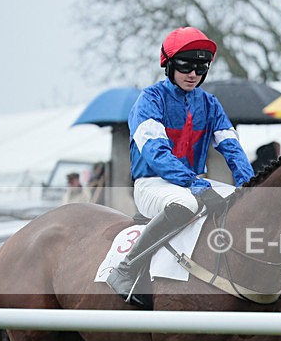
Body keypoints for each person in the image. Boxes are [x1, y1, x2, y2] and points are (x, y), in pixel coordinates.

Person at [106, 26, 254, 307]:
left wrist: (249, 185)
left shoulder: (210, 104)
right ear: (169, 65)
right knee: (187, 204)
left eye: (200, 67)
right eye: (186, 66)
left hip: (194, 182)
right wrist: (197, 185)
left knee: (242, 204)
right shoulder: (149, 100)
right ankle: (126, 269)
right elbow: (156, 155)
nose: (193, 74)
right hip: (153, 184)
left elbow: (232, 148)